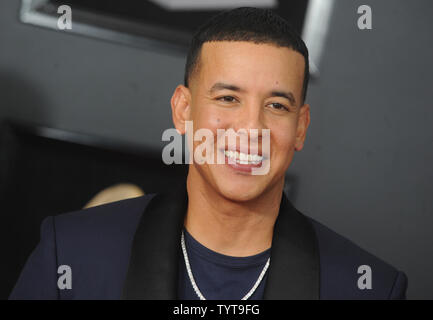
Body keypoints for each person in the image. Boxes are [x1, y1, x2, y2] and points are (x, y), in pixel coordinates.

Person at [10, 7, 407, 300]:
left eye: (277, 106)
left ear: (300, 127)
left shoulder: (367, 286)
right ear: (183, 111)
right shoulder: (74, 252)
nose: (251, 130)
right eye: (228, 98)